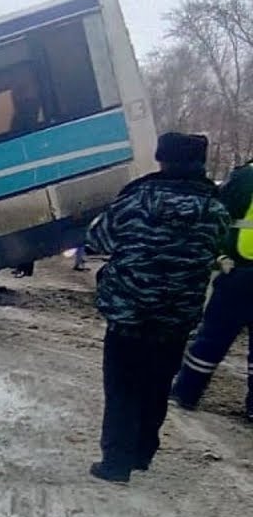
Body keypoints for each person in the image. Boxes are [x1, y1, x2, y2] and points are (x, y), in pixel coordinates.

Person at [84, 132, 230, 483]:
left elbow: (96, 241)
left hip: (129, 313)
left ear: (162, 158)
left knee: (122, 388)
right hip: (177, 317)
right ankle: (142, 453)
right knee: (157, 384)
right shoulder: (215, 209)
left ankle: (116, 463)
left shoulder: (135, 200)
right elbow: (215, 250)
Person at [171, 158, 253, 422]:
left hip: (241, 271)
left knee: (213, 336)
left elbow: (218, 213)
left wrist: (216, 255)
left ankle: (187, 392)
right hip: (242, 270)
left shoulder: (246, 177)